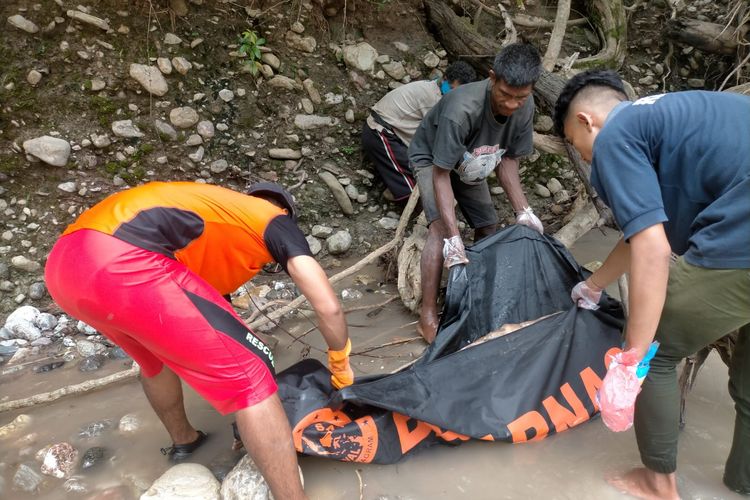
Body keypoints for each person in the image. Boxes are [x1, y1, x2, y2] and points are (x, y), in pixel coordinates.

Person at [45, 181, 354, 500]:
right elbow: (328, 307)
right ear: (285, 211)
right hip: (120, 258)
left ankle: (185, 442)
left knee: (154, 357)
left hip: (64, 269)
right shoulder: (273, 219)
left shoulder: (215, 220)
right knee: (252, 374)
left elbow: (206, 323)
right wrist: (340, 363)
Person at [553, 69, 750, 499]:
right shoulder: (668, 117)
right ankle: (742, 484)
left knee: (655, 349)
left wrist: (633, 357)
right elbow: (639, 231)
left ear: (588, 121)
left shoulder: (615, 137)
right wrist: (594, 285)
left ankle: (657, 483)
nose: (584, 157)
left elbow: (653, 250)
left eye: (574, 143)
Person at [408, 42, 544, 343]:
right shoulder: (462, 108)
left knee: (488, 224)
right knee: (441, 230)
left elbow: (507, 160)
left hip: (473, 159)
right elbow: (442, 173)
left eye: (519, 98)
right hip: (433, 159)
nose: (511, 105)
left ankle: (473, 293)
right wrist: (455, 237)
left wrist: (525, 211)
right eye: (505, 95)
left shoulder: (526, 107)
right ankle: (428, 313)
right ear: (492, 78)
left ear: (531, 89)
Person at [361, 61, 477, 201]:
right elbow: (442, 139)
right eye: (453, 89)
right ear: (445, 80)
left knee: (428, 172)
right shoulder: (432, 99)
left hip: (393, 132)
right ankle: (419, 213)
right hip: (380, 133)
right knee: (420, 182)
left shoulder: (436, 88)